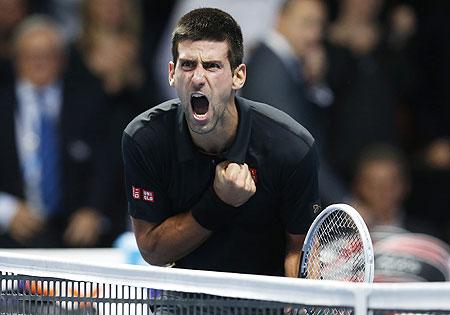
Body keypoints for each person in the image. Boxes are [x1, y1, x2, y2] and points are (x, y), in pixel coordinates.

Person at [122, 8, 320, 277]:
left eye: (213, 66)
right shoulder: (143, 139)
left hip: (264, 304)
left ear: (238, 76)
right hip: (183, 305)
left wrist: (295, 304)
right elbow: (153, 250)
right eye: (188, 65)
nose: (198, 78)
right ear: (172, 73)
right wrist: (219, 202)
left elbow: (299, 250)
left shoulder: (292, 148)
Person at [0, 15, 119, 248]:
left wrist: (93, 210)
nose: (39, 63)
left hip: (75, 236)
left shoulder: (89, 103)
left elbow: (107, 163)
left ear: (62, 60)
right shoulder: (2, 106)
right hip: (11, 235)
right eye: (30, 56)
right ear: (16, 60)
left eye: (47, 56)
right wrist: (5, 209)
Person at [240, 0, 350, 205]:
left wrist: (315, 84)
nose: (314, 34)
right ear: (279, 19)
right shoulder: (269, 68)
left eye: (320, 25)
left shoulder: (286, 64)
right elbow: (297, 149)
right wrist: (342, 200)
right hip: (273, 203)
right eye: (307, 23)